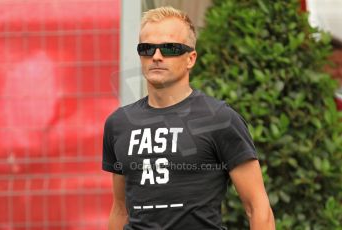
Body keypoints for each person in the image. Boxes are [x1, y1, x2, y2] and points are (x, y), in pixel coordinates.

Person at [102, 6, 275, 230]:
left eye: (170, 48)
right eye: (147, 48)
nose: (156, 56)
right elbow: (120, 209)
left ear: (191, 58)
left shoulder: (220, 119)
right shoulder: (118, 124)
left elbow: (258, 207)